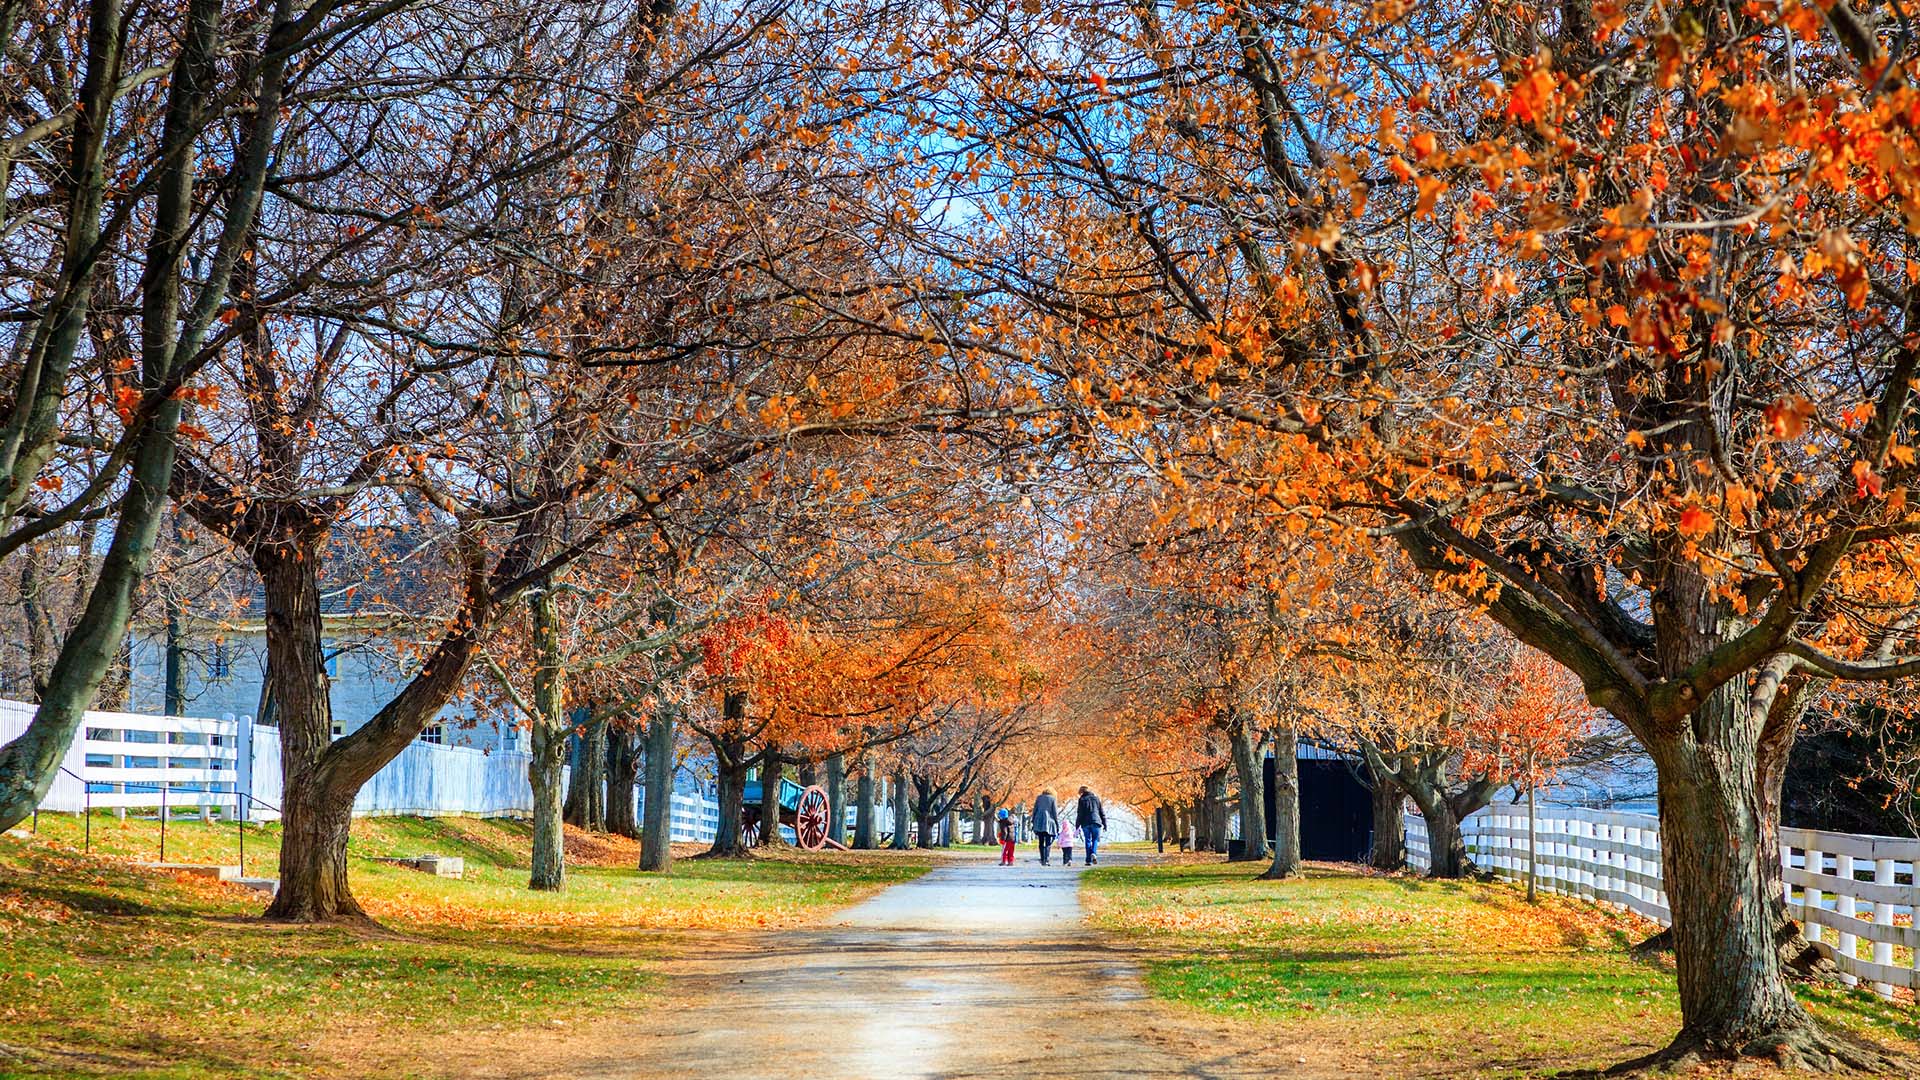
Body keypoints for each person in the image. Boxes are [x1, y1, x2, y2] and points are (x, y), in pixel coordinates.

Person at [1075, 786, 1107, 865]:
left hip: (1085, 823)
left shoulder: (1081, 800)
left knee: (1087, 840)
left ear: (1081, 792)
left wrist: (1077, 825)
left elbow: (1080, 814)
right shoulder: (1096, 799)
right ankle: (1094, 853)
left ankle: (1088, 860)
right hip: (1096, 822)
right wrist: (1105, 823)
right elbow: (1101, 812)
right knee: (1095, 840)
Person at [1031, 788, 1059, 866]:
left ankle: (1042, 858)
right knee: (1048, 842)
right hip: (1049, 822)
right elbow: (1055, 812)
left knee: (1040, 842)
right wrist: (1057, 824)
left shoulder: (1039, 798)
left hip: (1039, 821)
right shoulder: (1053, 799)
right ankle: (1046, 859)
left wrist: (1033, 820)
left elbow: (1035, 810)